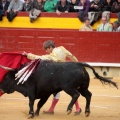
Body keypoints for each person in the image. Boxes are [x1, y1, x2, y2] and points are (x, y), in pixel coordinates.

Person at [23, 40, 81, 115]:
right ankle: (77, 108)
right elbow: (71, 56)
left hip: (57, 75)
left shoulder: (53, 55)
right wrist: (78, 64)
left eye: (47, 49)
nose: (47, 51)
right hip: (65, 73)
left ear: (50, 47)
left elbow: (41, 58)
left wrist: (28, 55)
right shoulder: (62, 48)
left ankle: (52, 109)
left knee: (56, 91)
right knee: (71, 90)